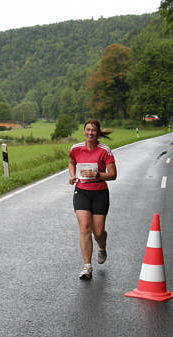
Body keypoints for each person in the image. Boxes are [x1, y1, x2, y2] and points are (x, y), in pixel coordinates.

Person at [68, 119, 117, 280]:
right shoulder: (76, 149)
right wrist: (72, 175)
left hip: (99, 193)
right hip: (81, 191)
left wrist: (97, 175)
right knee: (84, 227)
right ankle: (87, 267)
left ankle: (102, 246)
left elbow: (113, 175)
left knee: (98, 232)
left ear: (97, 132)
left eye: (93, 130)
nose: (90, 133)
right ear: (84, 131)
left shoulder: (105, 151)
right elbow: (71, 162)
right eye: (88, 130)